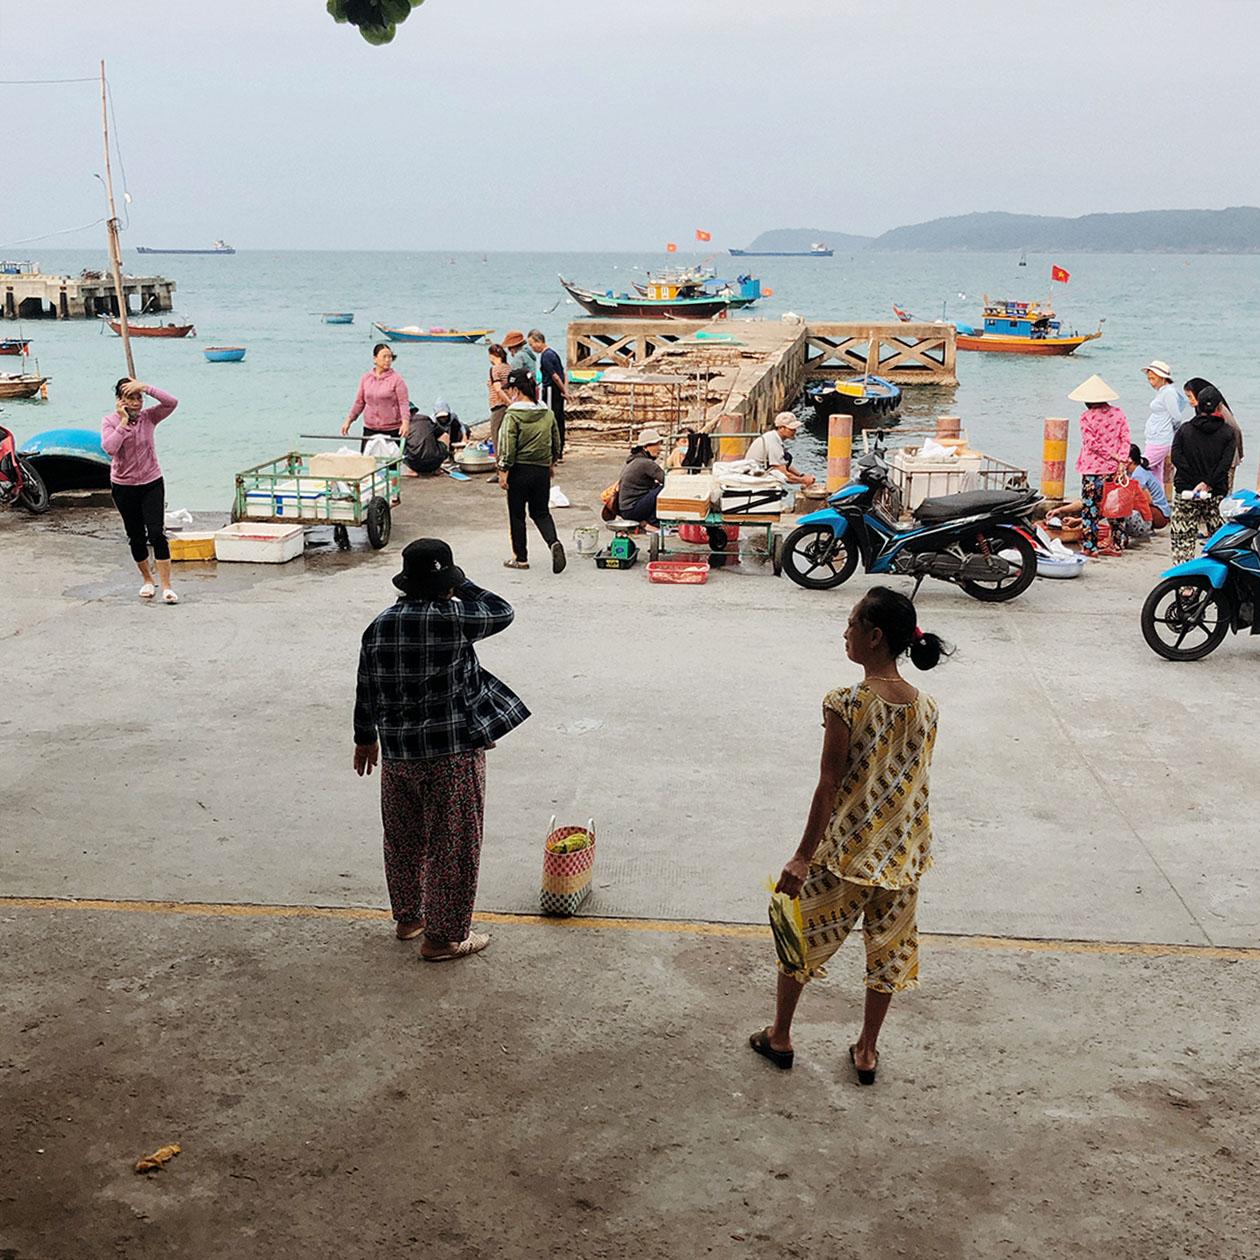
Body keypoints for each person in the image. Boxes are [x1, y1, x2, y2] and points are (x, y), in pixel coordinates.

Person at [749, 587, 950, 1084]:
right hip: (902, 856)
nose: (845, 632)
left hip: (846, 855)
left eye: (852, 623)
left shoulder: (845, 703)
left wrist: (801, 856)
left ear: (874, 636)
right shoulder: (927, 707)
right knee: (888, 955)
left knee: (798, 938)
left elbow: (829, 783)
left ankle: (780, 1036)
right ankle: (866, 1050)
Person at [353, 538, 529, 959]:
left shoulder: (377, 626)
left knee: (403, 839)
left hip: (399, 755)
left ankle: (409, 918)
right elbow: (503, 610)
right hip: (452, 753)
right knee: (454, 844)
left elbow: (365, 688)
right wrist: (461, 583)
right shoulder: (452, 616)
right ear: (445, 583)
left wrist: (364, 737)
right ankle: (444, 937)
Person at [100, 378, 181, 605]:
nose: (136, 403)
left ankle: (166, 586)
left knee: (156, 533)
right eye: (130, 398)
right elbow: (109, 448)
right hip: (124, 486)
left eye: (138, 398)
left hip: (151, 481)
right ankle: (147, 579)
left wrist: (145, 387)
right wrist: (124, 422)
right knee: (135, 535)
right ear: (120, 400)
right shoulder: (110, 421)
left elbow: (172, 402)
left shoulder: (149, 417)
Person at [496, 367, 565, 572]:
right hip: (541, 470)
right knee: (541, 512)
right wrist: (550, 464)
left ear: (517, 388)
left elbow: (507, 446)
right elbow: (556, 442)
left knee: (517, 515)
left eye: (511, 388)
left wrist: (503, 471)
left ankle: (521, 558)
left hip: (519, 470)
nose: (509, 392)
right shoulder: (547, 413)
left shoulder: (513, 415)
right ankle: (553, 542)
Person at [1169, 384, 1235, 565]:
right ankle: (1218, 584)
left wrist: (1195, 481)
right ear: (1219, 406)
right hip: (1216, 493)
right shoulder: (1228, 433)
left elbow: (1177, 458)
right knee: (1219, 541)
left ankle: (1184, 587)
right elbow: (1225, 465)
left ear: (1198, 406)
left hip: (1186, 491)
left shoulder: (1185, 430)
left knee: (1182, 540)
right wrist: (1207, 483)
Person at [1068, 374, 1130, 557]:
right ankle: (1117, 546)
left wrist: (1109, 455)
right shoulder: (1119, 413)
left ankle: (1090, 547)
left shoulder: (1086, 417)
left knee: (1090, 509)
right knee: (1116, 509)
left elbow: (1091, 444)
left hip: (1092, 470)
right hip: (1115, 470)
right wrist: (1121, 460)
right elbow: (1126, 439)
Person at [341, 343, 410, 445]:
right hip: (370, 428)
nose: (387, 360)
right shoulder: (366, 379)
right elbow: (359, 403)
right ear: (375, 359)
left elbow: (403, 404)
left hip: (392, 429)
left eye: (390, 357)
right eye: (384, 357)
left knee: (391, 460)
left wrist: (405, 423)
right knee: (367, 460)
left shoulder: (397, 380)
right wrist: (348, 421)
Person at [1184, 377, 1243, 492]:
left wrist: (1239, 453)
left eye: (1190, 396)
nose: (1189, 401)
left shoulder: (1220, 410)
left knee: (1225, 491)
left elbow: (1236, 430)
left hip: (1228, 457)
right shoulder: (1201, 411)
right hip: (1214, 457)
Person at [1141, 360, 1187, 487]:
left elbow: (1176, 417)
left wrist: (1171, 433)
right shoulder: (1164, 392)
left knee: (1141, 466)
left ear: (1162, 377)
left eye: (1153, 378)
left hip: (1160, 439)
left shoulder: (1169, 393)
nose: (1150, 382)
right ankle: (1159, 502)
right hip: (1156, 437)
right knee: (1156, 472)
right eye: (1149, 379)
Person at [745, 413, 816, 487]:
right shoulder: (773, 443)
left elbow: (782, 462)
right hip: (755, 475)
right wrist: (804, 480)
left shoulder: (773, 436)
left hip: (760, 468)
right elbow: (783, 474)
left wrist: (801, 475)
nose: (794, 431)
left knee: (787, 456)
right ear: (781, 428)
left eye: (795, 429)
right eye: (791, 429)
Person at [617, 428, 667, 525]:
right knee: (664, 489)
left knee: (657, 488)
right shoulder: (645, 463)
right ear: (645, 447)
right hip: (632, 510)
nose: (659, 448)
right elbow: (667, 480)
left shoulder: (634, 460)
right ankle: (653, 523)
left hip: (625, 510)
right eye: (656, 444)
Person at [529, 329, 568, 454]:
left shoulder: (546, 356)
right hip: (558, 390)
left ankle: (555, 450)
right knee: (558, 418)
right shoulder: (553, 353)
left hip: (551, 390)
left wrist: (564, 391)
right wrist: (565, 389)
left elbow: (555, 376)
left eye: (532, 344)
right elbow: (564, 373)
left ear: (538, 342)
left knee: (551, 419)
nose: (532, 348)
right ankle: (559, 449)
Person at [1122, 443, 1171, 534]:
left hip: (1159, 513)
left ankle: (1147, 527)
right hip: (1158, 511)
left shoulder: (1138, 474)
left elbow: (1147, 500)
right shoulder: (1131, 472)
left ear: (1130, 459)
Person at [402, 409, 449, 477]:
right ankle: (437, 469)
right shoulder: (426, 419)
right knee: (444, 436)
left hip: (415, 464)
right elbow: (443, 434)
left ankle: (413, 471)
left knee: (399, 446)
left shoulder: (402, 424)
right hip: (435, 462)